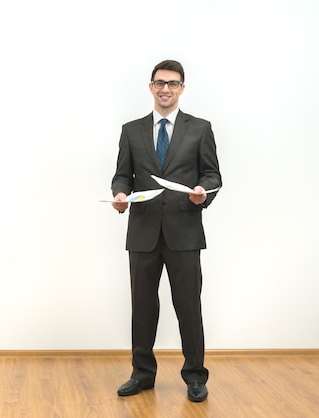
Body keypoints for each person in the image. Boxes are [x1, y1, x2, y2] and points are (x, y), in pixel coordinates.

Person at [110, 59, 222, 402]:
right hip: (142, 233)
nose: (165, 89)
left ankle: (195, 377)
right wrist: (118, 194)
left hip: (184, 231)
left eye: (173, 83)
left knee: (188, 306)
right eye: (160, 83)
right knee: (142, 307)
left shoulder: (200, 128)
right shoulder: (132, 130)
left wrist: (202, 193)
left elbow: (213, 175)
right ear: (150, 87)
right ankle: (143, 374)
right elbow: (122, 175)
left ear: (182, 89)